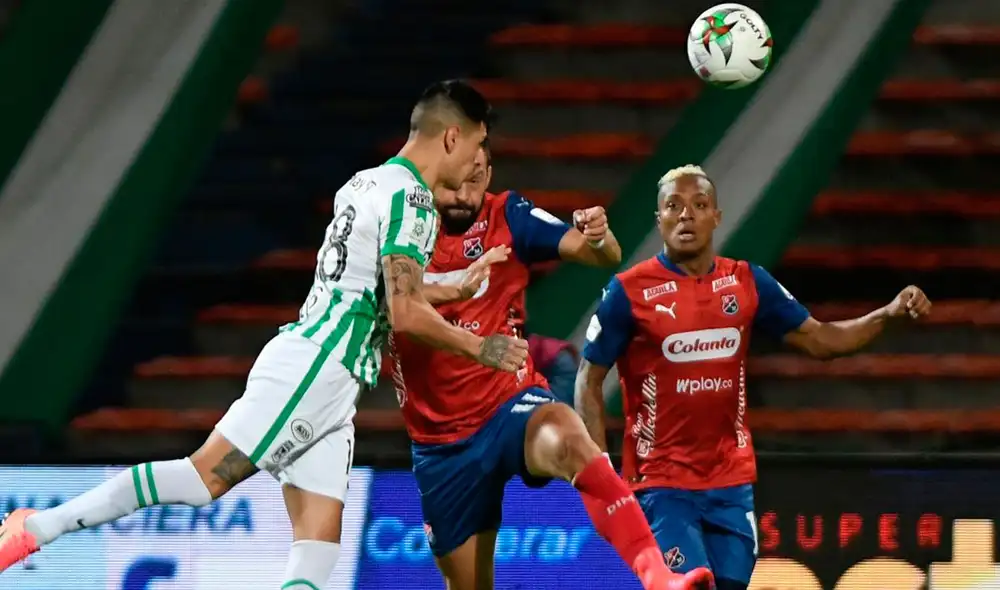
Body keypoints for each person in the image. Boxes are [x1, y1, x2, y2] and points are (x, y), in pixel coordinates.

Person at [0, 80, 530, 590]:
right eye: (479, 143)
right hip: (317, 368)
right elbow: (406, 312)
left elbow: (374, 289)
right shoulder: (413, 202)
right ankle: (39, 527)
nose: (477, 163)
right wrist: (480, 346)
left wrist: (452, 283)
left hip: (331, 380)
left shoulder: (368, 182)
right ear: (452, 137)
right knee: (202, 479)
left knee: (318, 543)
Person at [575, 165, 932, 590]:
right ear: (660, 220)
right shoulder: (628, 291)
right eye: (673, 206)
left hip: (731, 484)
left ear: (716, 217)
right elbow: (587, 381)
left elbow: (822, 340)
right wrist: (602, 480)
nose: (686, 215)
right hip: (661, 485)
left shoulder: (747, 281)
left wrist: (888, 314)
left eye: (699, 205)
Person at [390, 149, 714, 590]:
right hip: (440, 443)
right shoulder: (398, 228)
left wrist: (598, 238)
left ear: (489, 175)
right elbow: (392, 303)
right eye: (454, 183)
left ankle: (658, 576)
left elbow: (602, 255)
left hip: (508, 402)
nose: (465, 194)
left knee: (568, 437)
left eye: (477, 179)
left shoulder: (509, 215)